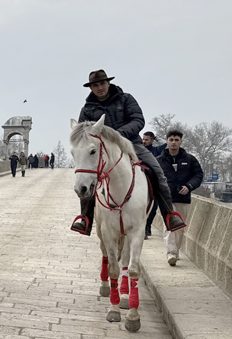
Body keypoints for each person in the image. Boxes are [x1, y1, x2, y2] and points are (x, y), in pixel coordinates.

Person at [71, 70, 186, 235]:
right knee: (87, 177)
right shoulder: (87, 109)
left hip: (131, 144)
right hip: (101, 149)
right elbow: (83, 134)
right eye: (95, 85)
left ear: (108, 83)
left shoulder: (126, 99)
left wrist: (118, 135)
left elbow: (138, 120)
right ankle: (85, 219)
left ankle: (169, 214)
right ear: (91, 88)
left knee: (157, 171)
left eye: (102, 84)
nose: (99, 88)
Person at [157, 130, 203, 266]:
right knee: (170, 224)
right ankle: (171, 252)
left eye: (176, 140)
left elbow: (198, 175)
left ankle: (175, 250)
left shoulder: (190, 159)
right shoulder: (159, 160)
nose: (173, 142)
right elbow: (153, 177)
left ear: (181, 141)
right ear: (167, 141)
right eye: (171, 139)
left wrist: (189, 186)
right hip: (166, 198)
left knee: (180, 227)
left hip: (183, 198)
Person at [142, 131, 167, 237]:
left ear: (152, 140)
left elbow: (165, 144)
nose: (144, 141)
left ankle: (148, 226)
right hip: (141, 180)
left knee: (154, 207)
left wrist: (156, 138)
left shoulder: (156, 150)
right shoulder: (139, 150)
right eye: (143, 139)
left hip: (153, 181)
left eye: (147, 140)